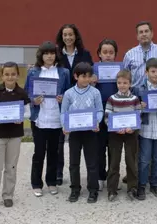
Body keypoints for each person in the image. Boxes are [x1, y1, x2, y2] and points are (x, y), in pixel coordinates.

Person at [122, 21, 157, 183]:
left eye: (146, 31)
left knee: (154, 143)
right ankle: (137, 175)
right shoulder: (130, 54)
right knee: (138, 141)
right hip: (136, 97)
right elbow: (125, 74)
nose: (144, 34)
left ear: (152, 33)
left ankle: (152, 179)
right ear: (136, 35)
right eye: (140, 32)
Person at [24, 41, 71, 197]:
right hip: (40, 117)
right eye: (46, 53)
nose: (49, 56)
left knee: (54, 152)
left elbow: (68, 92)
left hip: (56, 117)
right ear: (41, 55)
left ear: (56, 55)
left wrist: (62, 98)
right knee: (39, 152)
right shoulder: (33, 72)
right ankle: (36, 183)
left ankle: (51, 181)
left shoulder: (63, 72)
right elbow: (27, 93)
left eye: (52, 53)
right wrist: (33, 100)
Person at [0, 62, 31, 211]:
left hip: (15, 136)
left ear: (17, 75)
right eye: (7, 74)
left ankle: (8, 196)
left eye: (13, 74)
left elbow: (28, 112)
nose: (10, 77)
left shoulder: (21, 93)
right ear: (2, 76)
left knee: (11, 166)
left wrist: (21, 117)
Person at [55, 24, 94, 186]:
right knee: (60, 139)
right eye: (65, 35)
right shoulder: (56, 55)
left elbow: (90, 73)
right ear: (61, 37)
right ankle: (58, 173)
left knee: (80, 140)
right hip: (63, 99)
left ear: (75, 36)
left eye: (70, 34)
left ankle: (92, 177)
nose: (68, 38)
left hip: (82, 101)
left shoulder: (85, 54)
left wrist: (94, 78)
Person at [61, 62, 103, 203]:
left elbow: (99, 110)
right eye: (83, 76)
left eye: (88, 76)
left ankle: (93, 190)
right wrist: (64, 125)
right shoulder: (69, 93)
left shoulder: (95, 92)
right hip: (74, 133)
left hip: (90, 132)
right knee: (74, 162)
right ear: (75, 76)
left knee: (91, 162)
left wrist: (96, 121)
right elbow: (64, 112)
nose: (86, 79)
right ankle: (75, 189)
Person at [132, 58, 157, 200]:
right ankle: (141, 185)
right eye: (153, 71)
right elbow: (132, 108)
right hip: (145, 129)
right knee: (144, 159)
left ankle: (155, 184)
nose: (156, 74)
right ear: (146, 72)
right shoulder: (139, 89)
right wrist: (139, 107)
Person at [105, 70, 141, 201]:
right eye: (119, 83)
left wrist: (133, 127)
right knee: (114, 161)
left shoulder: (135, 99)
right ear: (116, 83)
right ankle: (112, 189)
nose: (122, 85)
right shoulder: (112, 99)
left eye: (125, 83)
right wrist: (114, 128)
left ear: (130, 84)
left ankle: (132, 187)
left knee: (131, 160)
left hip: (130, 133)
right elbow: (107, 116)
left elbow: (138, 116)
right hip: (116, 134)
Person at [92, 39, 119, 191]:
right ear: (99, 54)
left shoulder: (120, 70)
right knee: (99, 146)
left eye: (111, 52)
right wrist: (92, 81)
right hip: (99, 111)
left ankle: (112, 177)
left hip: (116, 111)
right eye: (105, 52)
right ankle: (100, 176)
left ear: (115, 54)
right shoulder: (93, 70)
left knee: (113, 147)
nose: (108, 55)